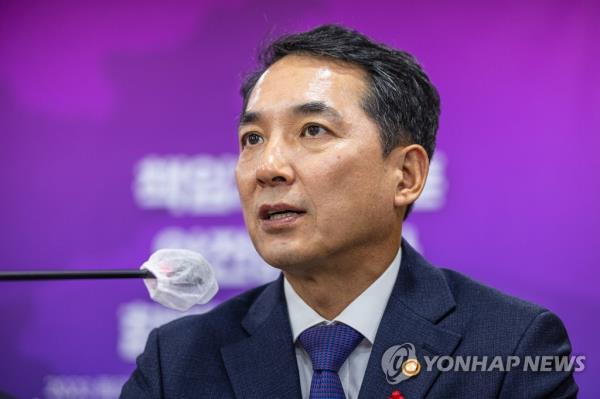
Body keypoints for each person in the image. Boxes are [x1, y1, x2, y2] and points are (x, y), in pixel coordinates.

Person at [121, 24, 578, 398]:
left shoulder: (510, 347)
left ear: (406, 175)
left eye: (313, 130)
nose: (268, 168)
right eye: (252, 139)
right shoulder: (178, 361)